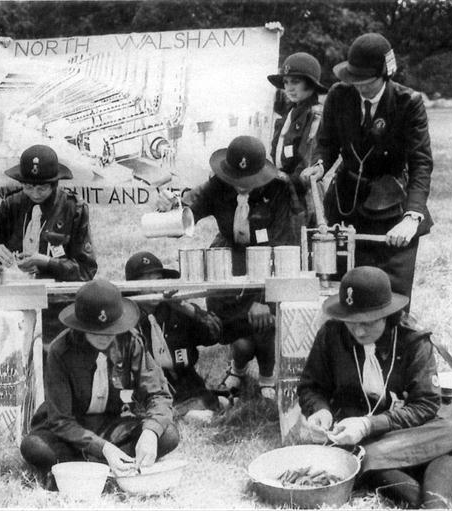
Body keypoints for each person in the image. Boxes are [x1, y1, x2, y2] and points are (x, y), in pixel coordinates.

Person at [298, 266, 452, 508]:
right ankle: (420, 498)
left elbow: (426, 404)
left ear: (387, 314)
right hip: (358, 438)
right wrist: (320, 410)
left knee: (451, 435)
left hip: (408, 430)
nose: (358, 330)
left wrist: (370, 424)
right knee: (360, 454)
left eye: (368, 322)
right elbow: (311, 386)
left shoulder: (414, 341)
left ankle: (436, 505)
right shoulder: (331, 335)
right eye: (351, 321)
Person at [157, 135, 302, 400]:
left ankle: (268, 378)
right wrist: (173, 207)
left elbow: (285, 246)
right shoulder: (218, 184)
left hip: (269, 262)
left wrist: (265, 298)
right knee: (234, 330)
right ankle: (238, 367)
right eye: (236, 181)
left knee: (264, 322)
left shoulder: (280, 189)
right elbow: (191, 207)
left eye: (248, 183)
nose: (241, 187)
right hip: (228, 258)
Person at [306, 33, 433, 301]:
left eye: (367, 82)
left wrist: (412, 217)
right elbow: (327, 143)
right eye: (354, 81)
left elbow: (421, 162)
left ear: (385, 74)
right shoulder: (339, 96)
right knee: (341, 291)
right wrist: (319, 164)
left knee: (388, 297)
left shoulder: (408, 103)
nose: (359, 87)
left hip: (390, 205)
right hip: (345, 202)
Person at [20, 279, 179, 482]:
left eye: (111, 330)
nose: (104, 337)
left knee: (168, 434)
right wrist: (103, 448)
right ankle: (105, 462)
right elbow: (61, 421)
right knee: (35, 447)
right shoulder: (60, 351)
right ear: (79, 326)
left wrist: (149, 433)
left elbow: (158, 394)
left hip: (115, 425)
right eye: (95, 332)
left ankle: (89, 466)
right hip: (72, 432)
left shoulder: (131, 341)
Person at [0, 143, 97, 345]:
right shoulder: (11, 205)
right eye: (28, 186)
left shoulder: (73, 209)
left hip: (58, 309)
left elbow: (86, 271)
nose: (34, 193)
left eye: (42, 188)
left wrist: (48, 263)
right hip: (15, 305)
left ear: (55, 184)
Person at [125, 251, 223, 416]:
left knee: (215, 401)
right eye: (145, 282)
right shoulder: (128, 317)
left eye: (157, 280)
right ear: (133, 288)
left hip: (185, 380)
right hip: (149, 385)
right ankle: (181, 413)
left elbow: (214, 335)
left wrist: (187, 308)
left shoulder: (177, 309)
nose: (154, 286)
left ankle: (186, 411)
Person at [268, 52, 328, 225]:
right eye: (285, 82)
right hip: (283, 191)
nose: (289, 88)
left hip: (304, 195)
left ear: (310, 84)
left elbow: (307, 162)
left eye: (295, 82)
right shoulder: (290, 113)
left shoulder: (316, 115)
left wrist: (280, 179)